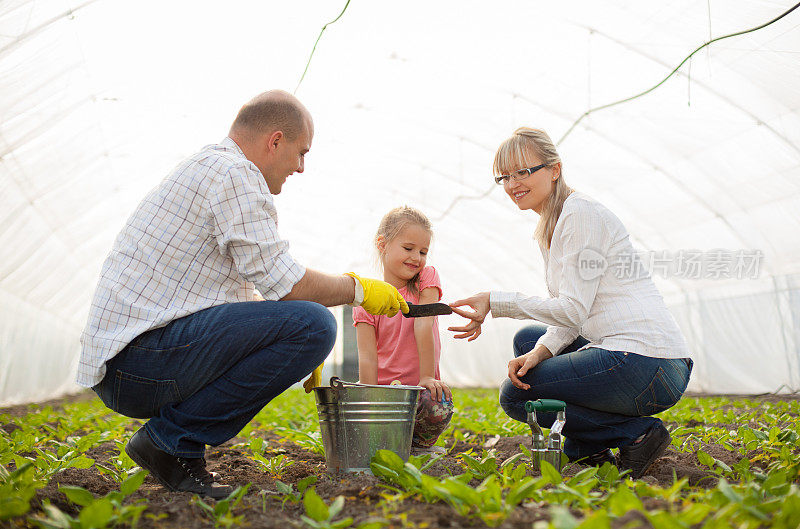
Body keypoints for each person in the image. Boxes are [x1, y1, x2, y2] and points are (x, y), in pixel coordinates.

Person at [78, 90, 409, 499]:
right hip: (138, 363)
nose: (301, 167)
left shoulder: (213, 167)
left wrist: (283, 339)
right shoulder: (234, 174)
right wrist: (356, 289)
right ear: (274, 141)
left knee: (305, 325)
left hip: (132, 363)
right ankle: (170, 442)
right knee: (315, 323)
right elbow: (284, 283)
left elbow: (243, 297)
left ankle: (175, 445)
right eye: (301, 153)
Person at [448, 127, 693, 479]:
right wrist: (539, 353)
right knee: (529, 342)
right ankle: (588, 450)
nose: (513, 183)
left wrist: (496, 301)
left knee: (514, 398)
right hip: (631, 359)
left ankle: (636, 434)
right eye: (504, 176)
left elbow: (573, 310)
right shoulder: (554, 223)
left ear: (555, 169)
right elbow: (571, 316)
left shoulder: (581, 214)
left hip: (648, 364)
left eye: (523, 171)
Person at [353, 207, 454, 454]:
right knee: (349, 402)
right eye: (408, 249)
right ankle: (385, 444)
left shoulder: (425, 279)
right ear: (382, 244)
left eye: (423, 251)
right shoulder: (368, 299)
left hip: (418, 390)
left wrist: (427, 378)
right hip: (386, 394)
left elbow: (423, 324)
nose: (416, 258)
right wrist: (369, 400)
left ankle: (416, 446)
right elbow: (367, 356)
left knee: (438, 403)